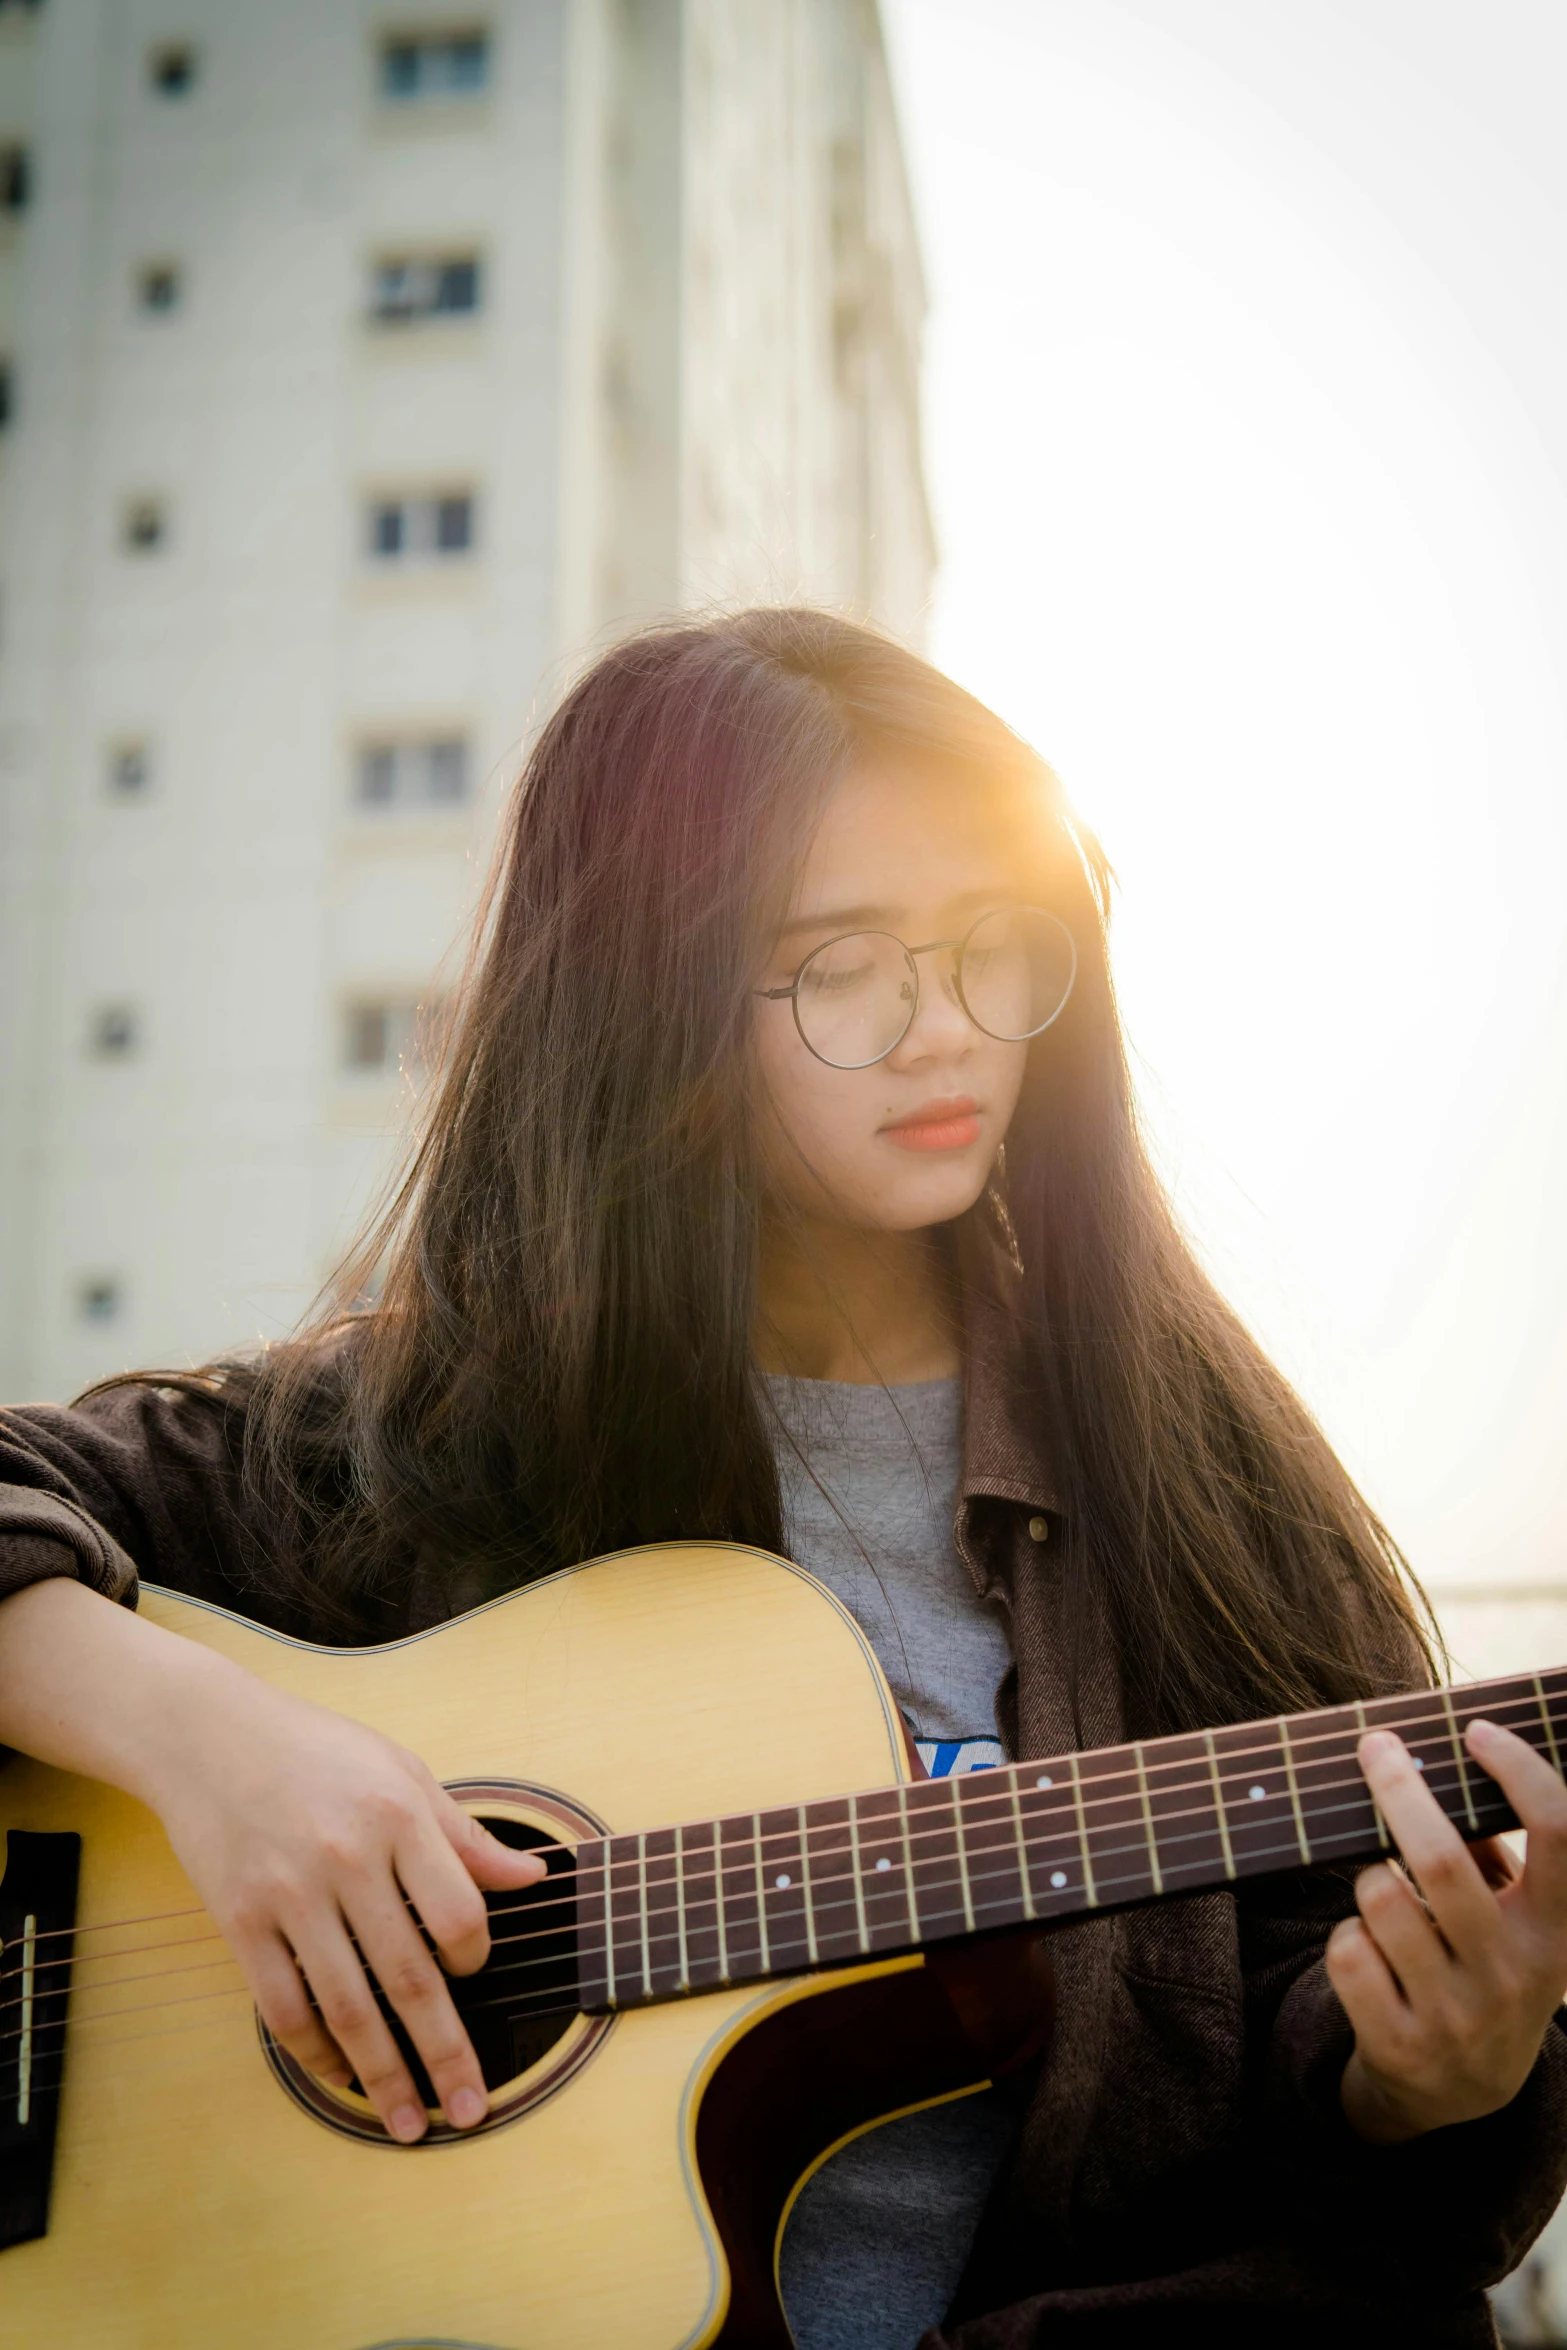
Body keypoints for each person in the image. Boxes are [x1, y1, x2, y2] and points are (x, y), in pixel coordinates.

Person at [2, 609, 1565, 2348]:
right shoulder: (405, 1434)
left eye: (996, 944)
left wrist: (1435, 2079)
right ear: (643, 1002)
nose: (947, 1030)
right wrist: (219, 1752)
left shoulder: (1196, 1478)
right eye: (841, 967)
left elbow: (1354, 2174)